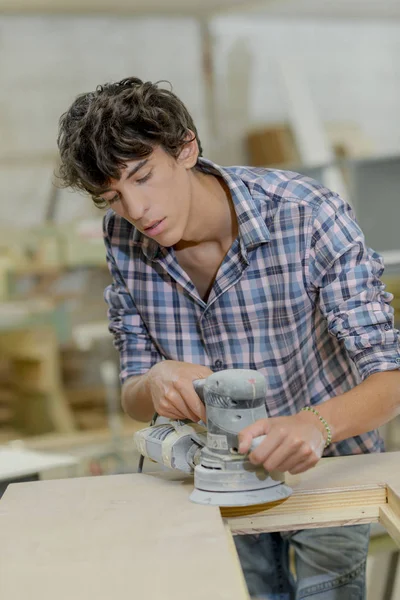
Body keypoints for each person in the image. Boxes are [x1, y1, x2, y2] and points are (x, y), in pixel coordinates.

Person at [57, 76, 400, 600]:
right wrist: (155, 380)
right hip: (212, 479)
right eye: (113, 197)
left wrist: (316, 425)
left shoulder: (306, 213)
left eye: (143, 177)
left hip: (328, 469)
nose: (137, 210)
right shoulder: (123, 237)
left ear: (186, 148)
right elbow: (132, 393)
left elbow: (391, 377)